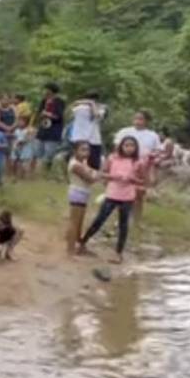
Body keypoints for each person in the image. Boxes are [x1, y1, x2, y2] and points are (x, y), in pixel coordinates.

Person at [78, 136, 145, 264]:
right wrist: (114, 177)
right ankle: (82, 243)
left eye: (132, 146)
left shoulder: (138, 162)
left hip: (127, 196)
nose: (129, 148)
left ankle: (118, 253)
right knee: (99, 219)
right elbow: (102, 173)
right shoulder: (112, 158)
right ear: (121, 146)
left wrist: (132, 180)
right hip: (112, 193)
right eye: (127, 145)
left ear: (136, 148)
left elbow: (143, 180)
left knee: (123, 225)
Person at [66, 142, 100, 255]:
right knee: (74, 222)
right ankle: (70, 249)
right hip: (77, 193)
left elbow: (92, 173)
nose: (86, 153)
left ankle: (76, 246)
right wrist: (98, 175)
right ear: (75, 151)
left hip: (83, 193)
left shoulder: (82, 163)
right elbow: (90, 178)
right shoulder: (76, 165)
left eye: (87, 150)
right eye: (83, 150)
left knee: (78, 222)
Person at [34, 83, 66, 174]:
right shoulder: (43, 101)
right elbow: (39, 113)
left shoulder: (59, 102)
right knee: (38, 151)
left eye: (46, 89)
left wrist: (48, 114)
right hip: (42, 129)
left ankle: (47, 172)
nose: (45, 91)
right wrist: (41, 115)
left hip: (53, 130)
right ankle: (39, 171)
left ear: (51, 91)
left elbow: (59, 116)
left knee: (49, 153)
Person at [68, 92, 105, 169]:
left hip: (94, 139)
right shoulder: (79, 108)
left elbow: (96, 115)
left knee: (93, 164)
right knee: (77, 163)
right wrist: (82, 103)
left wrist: (91, 104)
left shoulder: (101, 109)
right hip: (79, 139)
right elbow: (69, 113)